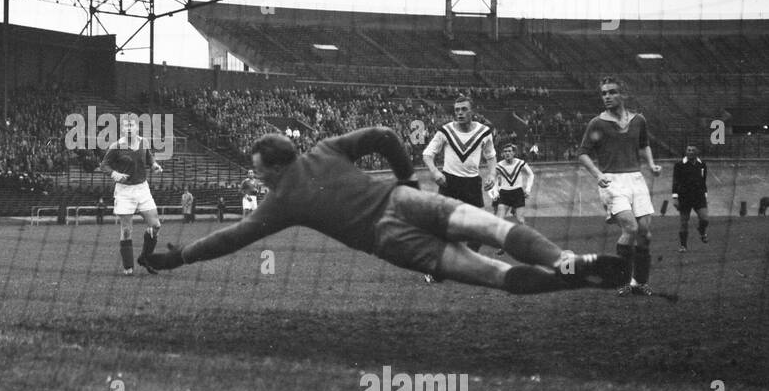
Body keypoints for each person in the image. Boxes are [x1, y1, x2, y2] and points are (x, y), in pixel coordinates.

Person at [140, 128, 625, 293]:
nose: (258, 176)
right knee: (496, 227)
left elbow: (230, 239)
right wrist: (406, 180)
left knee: (495, 275)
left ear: (272, 166)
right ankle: (565, 261)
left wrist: (177, 257)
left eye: (259, 170)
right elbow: (386, 137)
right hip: (402, 199)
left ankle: (567, 279)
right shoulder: (326, 148)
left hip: (389, 240)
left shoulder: (280, 200)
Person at [577, 76, 663, 297]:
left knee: (645, 233)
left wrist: (651, 165)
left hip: (636, 180)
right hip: (612, 182)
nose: (607, 96)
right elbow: (582, 153)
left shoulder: (639, 120)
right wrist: (597, 175)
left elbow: (644, 145)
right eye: (604, 93)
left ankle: (639, 283)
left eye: (612, 92)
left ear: (623, 94)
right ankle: (622, 280)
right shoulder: (597, 123)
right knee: (631, 228)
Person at [422, 96, 496, 257]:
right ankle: (434, 266)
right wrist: (435, 171)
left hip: (472, 184)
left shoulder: (484, 132)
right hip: (449, 183)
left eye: (464, 109)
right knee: (441, 227)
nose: (460, 113)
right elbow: (427, 154)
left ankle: (465, 260)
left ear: (472, 111)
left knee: (479, 230)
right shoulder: (445, 131)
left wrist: (492, 174)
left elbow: (491, 156)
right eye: (457, 110)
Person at [101, 116, 164, 275]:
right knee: (127, 230)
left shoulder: (144, 142)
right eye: (126, 125)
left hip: (142, 189)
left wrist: (154, 165)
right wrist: (115, 174)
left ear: (137, 127)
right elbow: (104, 165)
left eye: (132, 124)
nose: (129, 127)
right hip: (124, 191)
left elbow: (149, 157)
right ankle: (128, 267)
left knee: (155, 226)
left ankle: (144, 257)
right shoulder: (116, 146)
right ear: (122, 129)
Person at [671, 143, 710, 251]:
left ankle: (702, 231)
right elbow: (675, 181)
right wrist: (675, 197)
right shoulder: (679, 165)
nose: (690, 152)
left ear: (697, 152)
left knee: (705, 219)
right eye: (688, 150)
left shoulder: (702, 165)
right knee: (684, 222)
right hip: (684, 197)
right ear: (685, 151)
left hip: (699, 197)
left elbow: (703, 181)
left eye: (693, 150)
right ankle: (683, 246)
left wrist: (705, 195)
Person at [489, 143, 534, 235]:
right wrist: (495, 192)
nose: (507, 153)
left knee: (520, 220)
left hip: (518, 193)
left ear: (514, 153)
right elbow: (493, 179)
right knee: (499, 220)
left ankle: (526, 240)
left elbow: (531, 174)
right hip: (504, 194)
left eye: (509, 151)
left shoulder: (520, 163)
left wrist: (528, 189)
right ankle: (502, 246)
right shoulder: (499, 166)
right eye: (505, 151)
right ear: (502, 154)